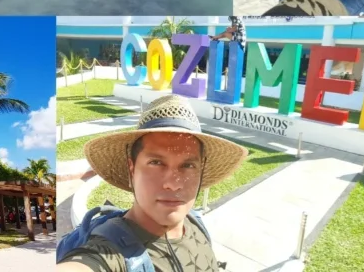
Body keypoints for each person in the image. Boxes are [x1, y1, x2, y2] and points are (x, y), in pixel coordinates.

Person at [57, 94, 246, 271]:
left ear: (201, 171)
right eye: (156, 163)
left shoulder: (196, 223)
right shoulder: (109, 254)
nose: (173, 184)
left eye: (188, 165)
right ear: (132, 170)